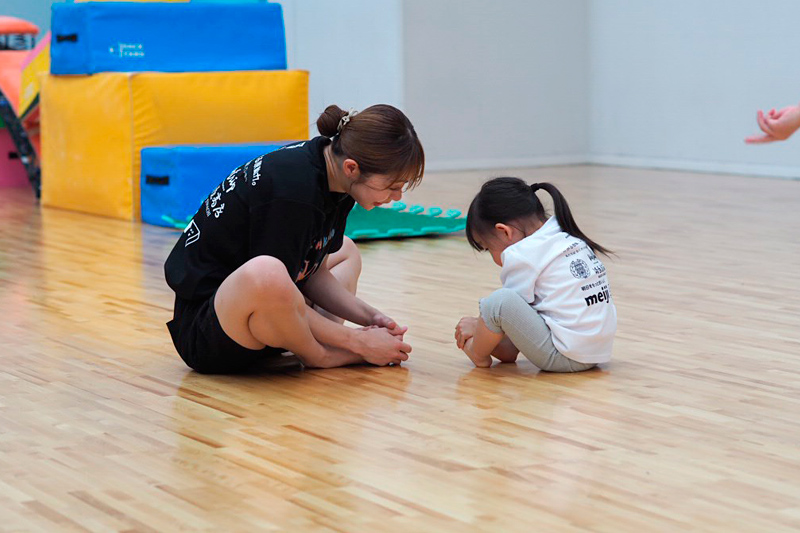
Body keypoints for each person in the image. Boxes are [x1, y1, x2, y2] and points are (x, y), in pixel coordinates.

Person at [164, 104, 424, 373]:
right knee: (267, 272)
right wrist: (359, 341)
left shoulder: (336, 174)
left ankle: (327, 343)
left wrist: (373, 318)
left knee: (345, 251)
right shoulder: (293, 191)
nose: (397, 197)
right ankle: (320, 356)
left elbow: (312, 272)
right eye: (392, 186)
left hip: (262, 315)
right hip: (209, 334)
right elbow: (274, 287)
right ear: (352, 168)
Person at [454, 178, 616, 372]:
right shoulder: (565, 237)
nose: (493, 258)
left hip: (564, 356)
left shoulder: (522, 254)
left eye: (488, 249)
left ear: (504, 232)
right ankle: (497, 346)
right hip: (596, 351)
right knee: (515, 307)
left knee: (498, 303)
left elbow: (503, 310)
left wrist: (477, 326)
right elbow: (516, 319)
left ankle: (477, 353)